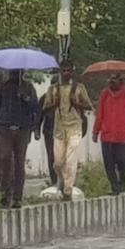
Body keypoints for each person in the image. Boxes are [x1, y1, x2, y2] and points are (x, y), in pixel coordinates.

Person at [42, 63, 93, 200]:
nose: (65, 73)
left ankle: (68, 190)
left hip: (75, 127)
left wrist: (76, 103)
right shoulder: (53, 89)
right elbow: (45, 107)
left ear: (72, 72)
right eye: (63, 71)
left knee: (71, 160)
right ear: (60, 72)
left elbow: (88, 106)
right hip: (59, 129)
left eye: (68, 70)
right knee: (58, 162)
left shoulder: (79, 88)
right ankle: (62, 181)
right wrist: (55, 102)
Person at [0, 71, 40, 208]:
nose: (14, 74)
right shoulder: (3, 87)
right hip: (5, 128)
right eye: (12, 72)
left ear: (21, 72)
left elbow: (36, 107)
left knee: (19, 162)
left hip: (22, 129)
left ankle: (18, 197)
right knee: (5, 159)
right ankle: (6, 194)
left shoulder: (28, 87)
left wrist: (25, 98)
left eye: (17, 71)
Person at [93, 74, 125, 195]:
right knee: (109, 164)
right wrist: (95, 131)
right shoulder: (105, 93)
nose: (111, 81)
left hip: (123, 136)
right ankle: (115, 187)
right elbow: (99, 113)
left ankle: (122, 183)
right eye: (110, 79)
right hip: (107, 135)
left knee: (124, 162)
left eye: (114, 79)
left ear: (121, 81)